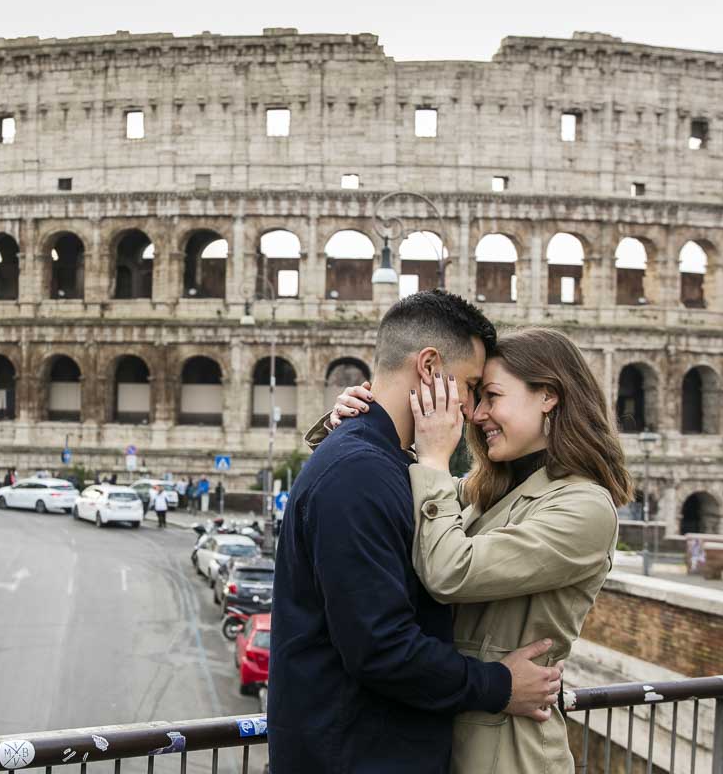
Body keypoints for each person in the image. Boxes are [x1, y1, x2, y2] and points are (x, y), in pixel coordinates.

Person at [314, 326, 631, 773]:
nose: (476, 413)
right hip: (446, 727)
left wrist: (435, 457)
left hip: (508, 750)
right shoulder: (486, 490)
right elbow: (388, 499)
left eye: (492, 396)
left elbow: (448, 571)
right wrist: (360, 426)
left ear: (548, 396)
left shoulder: (585, 507)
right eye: (476, 396)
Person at [269, 292, 561, 774]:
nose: (470, 408)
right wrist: (499, 685)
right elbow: (381, 648)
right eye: (470, 385)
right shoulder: (359, 473)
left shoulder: (380, 463)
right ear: (428, 366)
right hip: (357, 756)